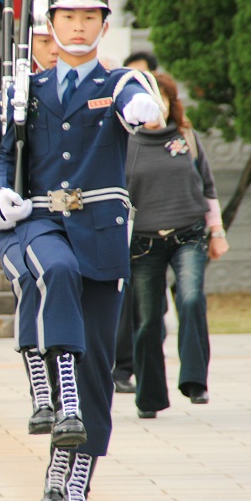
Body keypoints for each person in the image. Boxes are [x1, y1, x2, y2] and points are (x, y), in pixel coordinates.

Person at [0, 0, 161, 501]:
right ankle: (49, 395)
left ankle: (73, 480)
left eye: (91, 17)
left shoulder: (115, 85)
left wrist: (143, 110)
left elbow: (137, 99)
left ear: (104, 24)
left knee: (97, 373)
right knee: (55, 272)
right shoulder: (21, 93)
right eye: (69, 16)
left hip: (102, 238)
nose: (80, 27)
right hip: (40, 227)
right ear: (51, 22)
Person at [0, 0, 58, 433]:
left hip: (79, 224)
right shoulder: (5, 100)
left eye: (54, 37)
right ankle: (40, 391)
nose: (49, 49)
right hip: (25, 225)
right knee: (30, 280)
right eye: (41, 39)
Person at [127, 71, 229, 418]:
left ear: (172, 104)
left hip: (189, 234)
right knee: (147, 320)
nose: (157, 107)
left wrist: (216, 233)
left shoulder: (188, 138)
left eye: (164, 99)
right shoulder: (126, 142)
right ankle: (150, 397)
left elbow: (208, 188)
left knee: (190, 297)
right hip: (143, 244)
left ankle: (194, 381)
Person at [112, 49, 162, 394]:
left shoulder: (165, 135)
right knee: (123, 301)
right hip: (120, 226)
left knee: (149, 309)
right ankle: (122, 368)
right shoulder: (119, 127)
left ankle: (140, 373)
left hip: (152, 232)